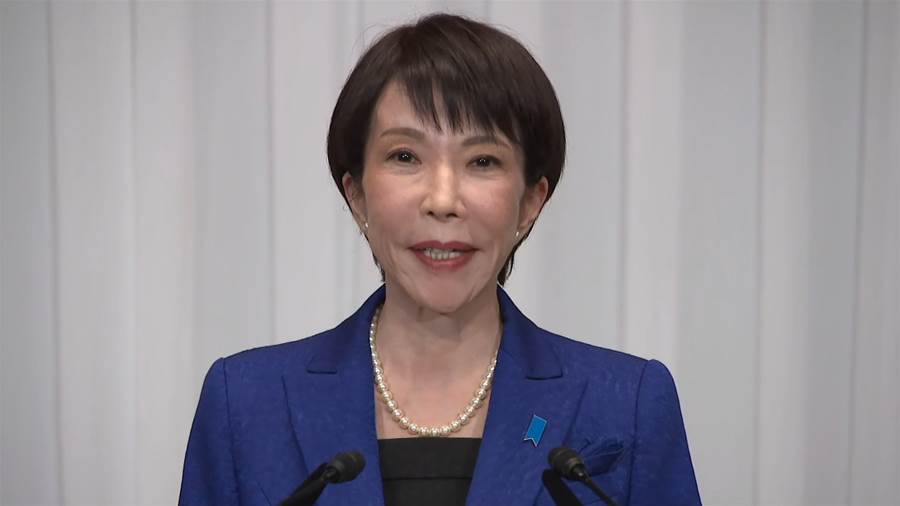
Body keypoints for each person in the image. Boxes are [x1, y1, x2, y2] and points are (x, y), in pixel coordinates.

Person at [179, 13, 701, 506]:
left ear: (529, 202)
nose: (443, 200)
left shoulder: (627, 402)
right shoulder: (245, 402)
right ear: (357, 195)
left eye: (482, 161)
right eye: (405, 156)